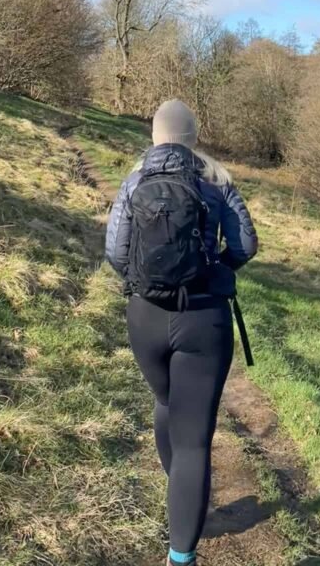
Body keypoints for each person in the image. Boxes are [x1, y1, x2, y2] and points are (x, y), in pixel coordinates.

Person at [105, 99, 258, 566]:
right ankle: (181, 554)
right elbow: (245, 245)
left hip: (145, 317)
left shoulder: (134, 182)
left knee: (166, 402)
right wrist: (215, 269)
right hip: (204, 319)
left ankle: (181, 495)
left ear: (154, 136)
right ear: (194, 138)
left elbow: (115, 253)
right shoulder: (218, 183)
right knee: (194, 442)